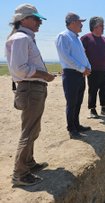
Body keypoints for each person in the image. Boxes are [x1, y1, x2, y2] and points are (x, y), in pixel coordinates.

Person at [6, 3, 55, 186]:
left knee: (33, 128)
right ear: (23, 19)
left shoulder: (24, 38)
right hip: (30, 88)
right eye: (36, 19)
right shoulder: (20, 38)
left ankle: (28, 163)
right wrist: (45, 75)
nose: (39, 23)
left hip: (33, 89)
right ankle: (20, 173)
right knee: (29, 130)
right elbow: (20, 69)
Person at [56, 13, 92, 139]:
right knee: (71, 103)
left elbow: (82, 55)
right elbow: (66, 57)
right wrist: (83, 68)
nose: (82, 24)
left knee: (78, 102)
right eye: (79, 22)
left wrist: (88, 67)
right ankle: (71, 128)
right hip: (71, 74)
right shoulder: (63, 36)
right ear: (72, 23)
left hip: (80, 74)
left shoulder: (76, 38)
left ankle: (76, 125)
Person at [81, 16, 105, 119]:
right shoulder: (86, 38)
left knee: (104, 89)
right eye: (101, 26)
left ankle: (104, 108)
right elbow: (81, 54)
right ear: (94, 26)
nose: (103, 28)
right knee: (93, 90)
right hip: (93, 70)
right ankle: (92, 110)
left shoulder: (104, 39)